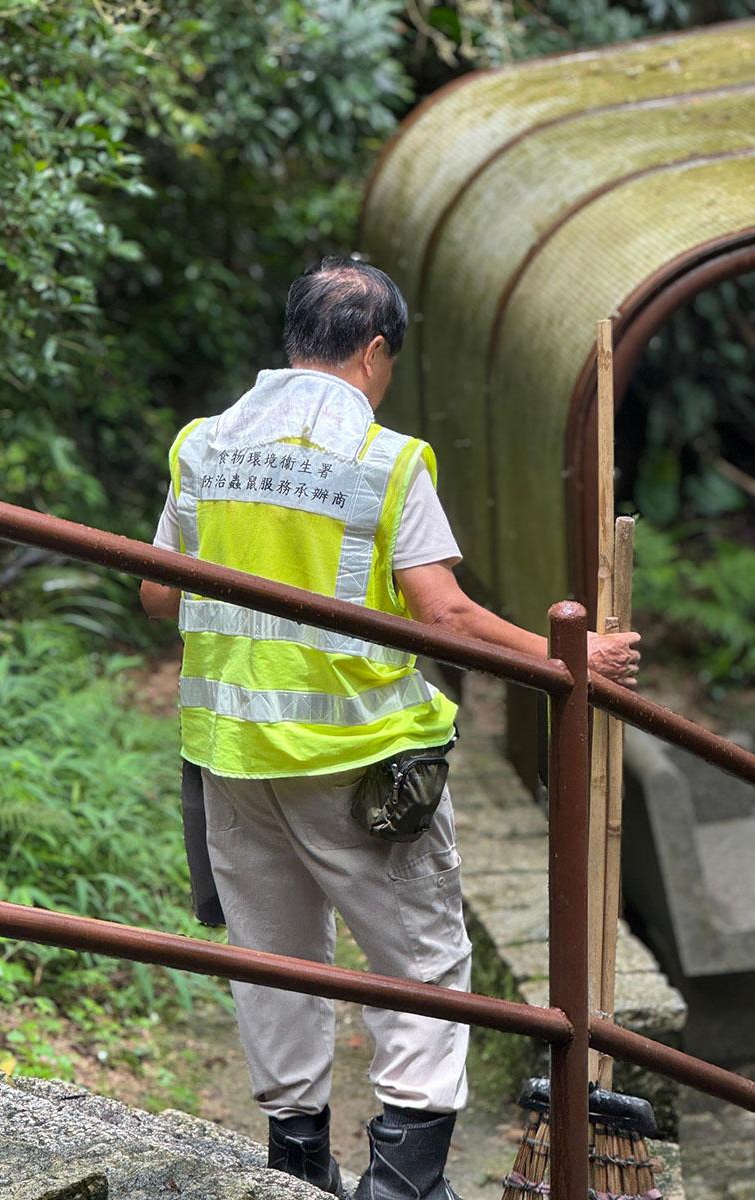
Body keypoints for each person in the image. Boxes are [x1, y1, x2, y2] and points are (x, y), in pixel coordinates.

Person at [140, 258, 639, 1200]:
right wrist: (564, 657)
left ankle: (296, 1166)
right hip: (361, 764)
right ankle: (403, 1182)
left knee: (276, 958)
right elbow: (443, 616)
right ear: (375, 352)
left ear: (294, 340)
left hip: (231, 757)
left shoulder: (203, 445)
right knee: (422, 963)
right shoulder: (385, 459)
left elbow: (159, 590)